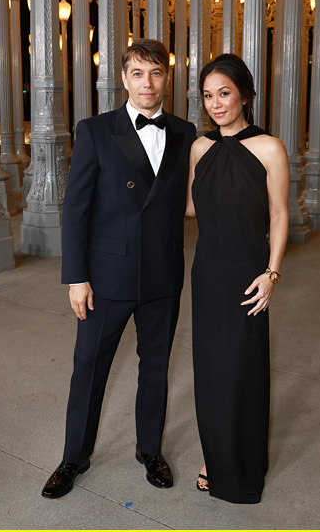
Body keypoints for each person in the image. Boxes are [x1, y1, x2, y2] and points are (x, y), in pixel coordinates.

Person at [42, 39, 196, 499]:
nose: (147, 83)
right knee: (89, 368)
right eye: (138, 74)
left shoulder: (186, 132)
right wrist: (76, 277)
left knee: (156, 368)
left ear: (167, 78)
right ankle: (73, 457)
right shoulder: (94, 131)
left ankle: (150, 450)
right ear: (124, 79)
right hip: (106, 276)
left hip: (163, 275)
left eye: (156, 73)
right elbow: (76, 209)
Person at [186, 54, 289, 504]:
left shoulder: (270, 147)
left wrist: (271, 273)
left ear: (244, 94)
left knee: (242, 369)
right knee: (209, 369)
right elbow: (191, 208)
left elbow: (280, 214)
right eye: (208, 96)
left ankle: (243, 460)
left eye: (224, 93)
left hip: (249, 273)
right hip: (208, 270)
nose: (215, 104)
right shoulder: (199, 148)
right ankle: (214, 454)